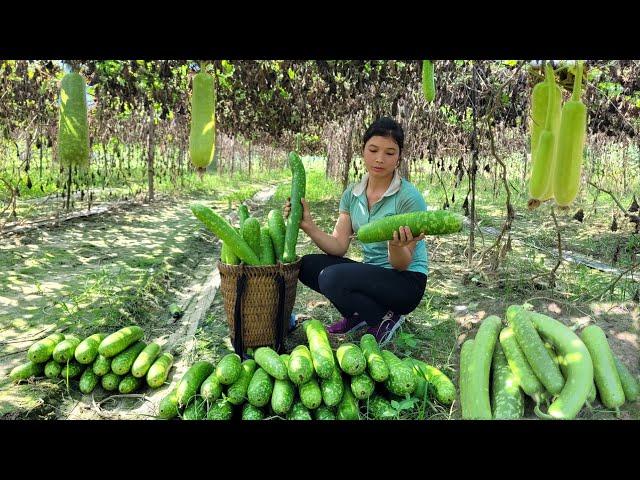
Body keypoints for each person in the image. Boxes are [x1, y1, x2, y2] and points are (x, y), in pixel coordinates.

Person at [284, 117, 428, 346]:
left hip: (406, 283)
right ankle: (359, 316)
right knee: (307, 266)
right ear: (363, 150)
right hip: (374, 274)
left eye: (390, 153)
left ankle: (384, 319)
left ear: (399, 157)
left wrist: (395, 244)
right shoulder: (352, 195)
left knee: (332, 278)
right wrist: (308, 225)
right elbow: (338, 246)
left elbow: (401, 265)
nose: (380, 159)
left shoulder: (409, 198)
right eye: (373, 150)